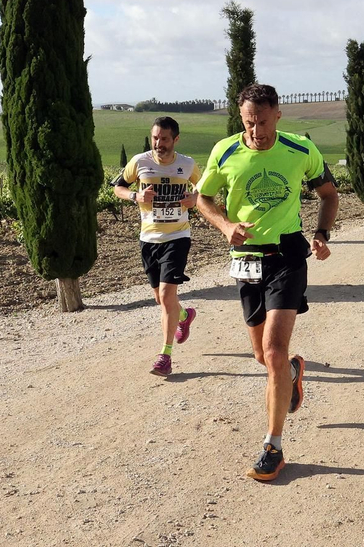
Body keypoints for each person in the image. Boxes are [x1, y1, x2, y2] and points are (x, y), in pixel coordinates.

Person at [195, 83, 337, 482]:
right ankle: (292, 372)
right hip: (246, 260)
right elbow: (203, 197)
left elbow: (328, 193)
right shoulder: (224, 151)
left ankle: (273, 446)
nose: (256, 131)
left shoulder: (299, 150)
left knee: (273, 350)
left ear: (278, 114)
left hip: (288, 256)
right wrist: (225, 225)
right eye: (248, 122)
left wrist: (322, 233)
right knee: (263, 356)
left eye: (262, 121)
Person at [113, 116, 203, 377]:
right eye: (155, 138)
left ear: (175, 139)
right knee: (162, 299)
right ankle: (184, 316)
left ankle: (165, 356)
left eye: (164, 139)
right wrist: (135, 195)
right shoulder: (140, 162)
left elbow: (205, 190)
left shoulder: (187, 165)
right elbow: (118, 187)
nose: (158, 143)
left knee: (165, 296)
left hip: (177, 237)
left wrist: (194, 199)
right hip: (148, 239)